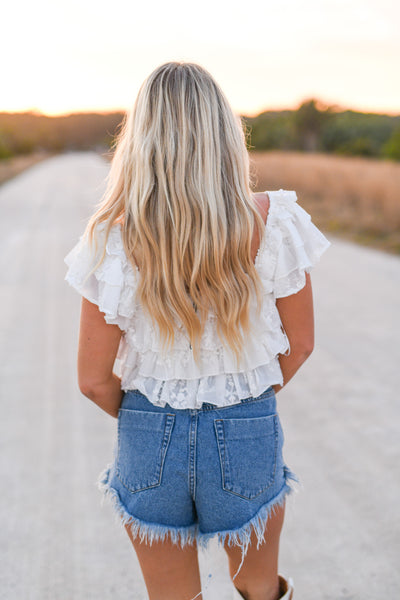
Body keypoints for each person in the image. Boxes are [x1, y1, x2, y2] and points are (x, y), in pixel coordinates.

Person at [64, 61, 330, 600]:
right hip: (246, 423)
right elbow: (300, 344)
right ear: (225, 134)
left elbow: (93, 381)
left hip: (146, 431)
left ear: (141, 139)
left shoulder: (111, 240)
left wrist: (149, 411)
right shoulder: (274, 221)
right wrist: (244, 398)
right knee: (258, 589)